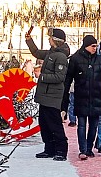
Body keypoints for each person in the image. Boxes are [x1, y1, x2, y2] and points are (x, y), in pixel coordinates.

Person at [62, 34, 101, 159]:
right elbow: (68, 78)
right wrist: (65, 96)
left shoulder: (100, 60)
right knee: (82, 125)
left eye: (96, 46)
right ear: (86, 46)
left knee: (93, 126)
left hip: (96, 97)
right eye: (93, 46)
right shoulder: (75, 59)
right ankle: (83, 150)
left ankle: (89, 149)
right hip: (81, 97)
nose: (95, 48)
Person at [25, 26, 70, 161]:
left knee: (54, 123)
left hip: (52, 96)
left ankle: (61, 150)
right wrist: (29, 40)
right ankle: (49, 149)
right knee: (44, 123)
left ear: (56, 40)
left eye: (50, 38)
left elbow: (60, 77)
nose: (49, 40)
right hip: (45, 95)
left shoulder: (60, 57)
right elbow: (37, 53)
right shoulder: (51, 53)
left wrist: (42, 76)